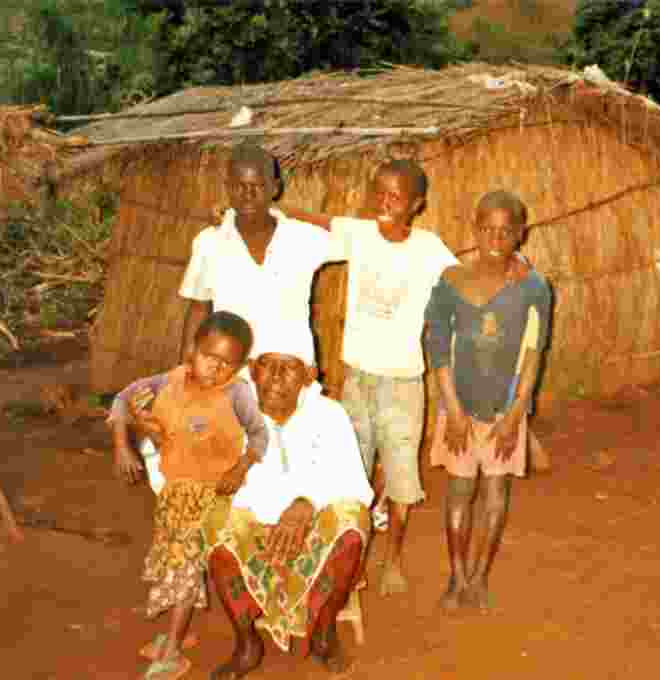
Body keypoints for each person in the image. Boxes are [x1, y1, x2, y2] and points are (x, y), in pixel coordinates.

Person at [288, 159, 458, 596]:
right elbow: (316, 220)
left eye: (396, 195)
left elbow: (460, 284)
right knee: (351, 471)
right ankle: (353, 558)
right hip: (358, 381)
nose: (384, 201)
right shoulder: (359, 235)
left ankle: (393, 559)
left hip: (403, 383)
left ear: (416, 204)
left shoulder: (429, 248)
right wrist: (271, 210)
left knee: (401, 478)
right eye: (378, 191)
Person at [203, 328, 374, 679]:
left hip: (312, 527)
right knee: (211, 521)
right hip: (253, 527)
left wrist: (307, 502)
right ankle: (247, 642)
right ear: (252, 370)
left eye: (290, 367)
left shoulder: (329, 414)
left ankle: (324, 634)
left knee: (352, 525)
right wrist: (269, 513)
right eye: (268, 365)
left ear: (309, 375)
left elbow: (354, 483)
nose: (277, 377)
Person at [110, 311, 269, 680]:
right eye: (208, 357)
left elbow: (259, 436)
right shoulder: (169, 381)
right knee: (173, 561)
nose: (216, 369)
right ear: (191, 350)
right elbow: (121, 399)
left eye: (227, 364)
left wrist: (240, 468)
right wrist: (123, 444)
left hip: (212, 497)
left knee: (184, 569)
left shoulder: (237, 393)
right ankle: (173, 635)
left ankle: (173, 652)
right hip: (174, 494)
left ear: (240, 366)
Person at [423, 190, 551, 611]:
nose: (495, 237)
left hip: (505, 412)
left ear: (520, 234)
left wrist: (516, 414)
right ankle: (456, 575)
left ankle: (479, 577)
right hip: (460, 407)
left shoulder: (533, 287)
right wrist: (454, 411)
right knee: (460, 490)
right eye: (487, 229)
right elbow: (438, 347)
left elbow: (533, 352)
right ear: (474, 229)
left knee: (495, 492)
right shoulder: (451, 281)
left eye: (505, 231)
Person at [177, 142, 333, 368]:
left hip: (291, 377)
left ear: (275, 188)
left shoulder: (305, 238)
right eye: (239, 186)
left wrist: (287, 210)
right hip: (230, 374)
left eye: (258, 185)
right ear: (227, 188)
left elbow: (362, 234)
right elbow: (199, 309)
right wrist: (185, 368)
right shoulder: (209, 243)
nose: (247, 195)